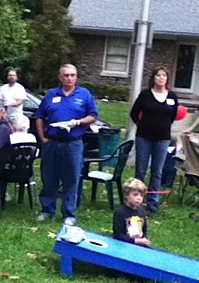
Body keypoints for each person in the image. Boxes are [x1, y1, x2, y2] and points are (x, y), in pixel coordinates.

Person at [35, 64, 99, 226]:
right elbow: (40, 116)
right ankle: (47, 210)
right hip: (52, 143)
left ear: (76, 77)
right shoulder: (51, 94)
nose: (69, 78)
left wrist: (78, 122)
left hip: (73, 144)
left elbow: (93, 116)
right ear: (60, 77)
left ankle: (69, 213)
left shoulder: (84, 94)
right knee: (49, 177)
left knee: (71, 178)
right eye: (66, 75)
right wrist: (42, 138)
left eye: (72, 75)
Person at [129, 67, 179, 212]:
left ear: (167, 79)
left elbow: (173, 116)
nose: (161, 78)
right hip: (144, 137)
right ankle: (137, 200)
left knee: (157, 171)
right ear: (153, 78)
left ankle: (153, 203)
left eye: (164, 75)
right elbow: (134, 113)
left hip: (162, 138)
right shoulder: (145, 95)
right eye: (158, 75)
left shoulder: (172, 97)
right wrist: (142, 125)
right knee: (141, 170)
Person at [113, 178, 151, 246]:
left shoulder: (142, 211)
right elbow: (117, 235)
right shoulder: (120, 212)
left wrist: (145, 239)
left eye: (141, 195)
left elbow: (144, 230)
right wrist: (135, 241)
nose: (139, 198)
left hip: (139, 245)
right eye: (135, 195)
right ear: (126, 195)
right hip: (123, 245)